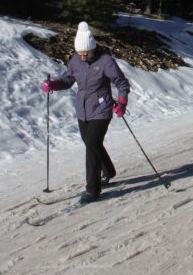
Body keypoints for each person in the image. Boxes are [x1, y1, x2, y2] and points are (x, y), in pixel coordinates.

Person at [42, 22, 131, 204]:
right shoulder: (75, 60)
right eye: (80, 53)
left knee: (91, 144)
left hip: (101, 108)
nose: (82, 57)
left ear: (92, 49)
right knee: (91, 143)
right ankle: (108, 171)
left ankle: (93, 189)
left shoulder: (105, 61)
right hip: (82, 109)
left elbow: (121, 83)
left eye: (86, 53)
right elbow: (68, 80)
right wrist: (54, 85)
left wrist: (122, 102)